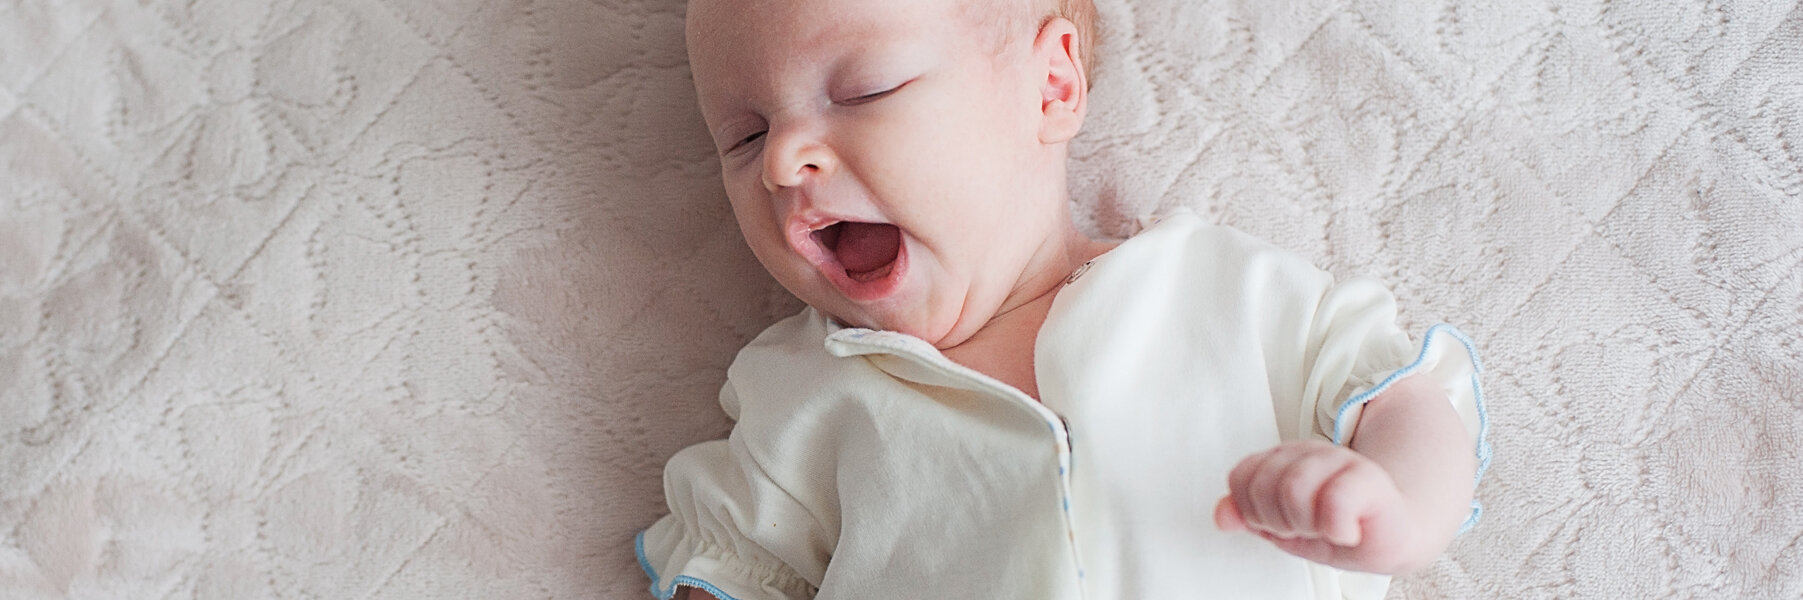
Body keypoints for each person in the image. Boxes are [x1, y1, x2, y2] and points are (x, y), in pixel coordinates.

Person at [637, 0, 1490, 598]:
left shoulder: (1216, 290)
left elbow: (1405, 402)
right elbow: (730, 570)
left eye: (863, 92)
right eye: (743, 137)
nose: (783, 162)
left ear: (1051, 85)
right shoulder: (798, 391)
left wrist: (1397, 509)